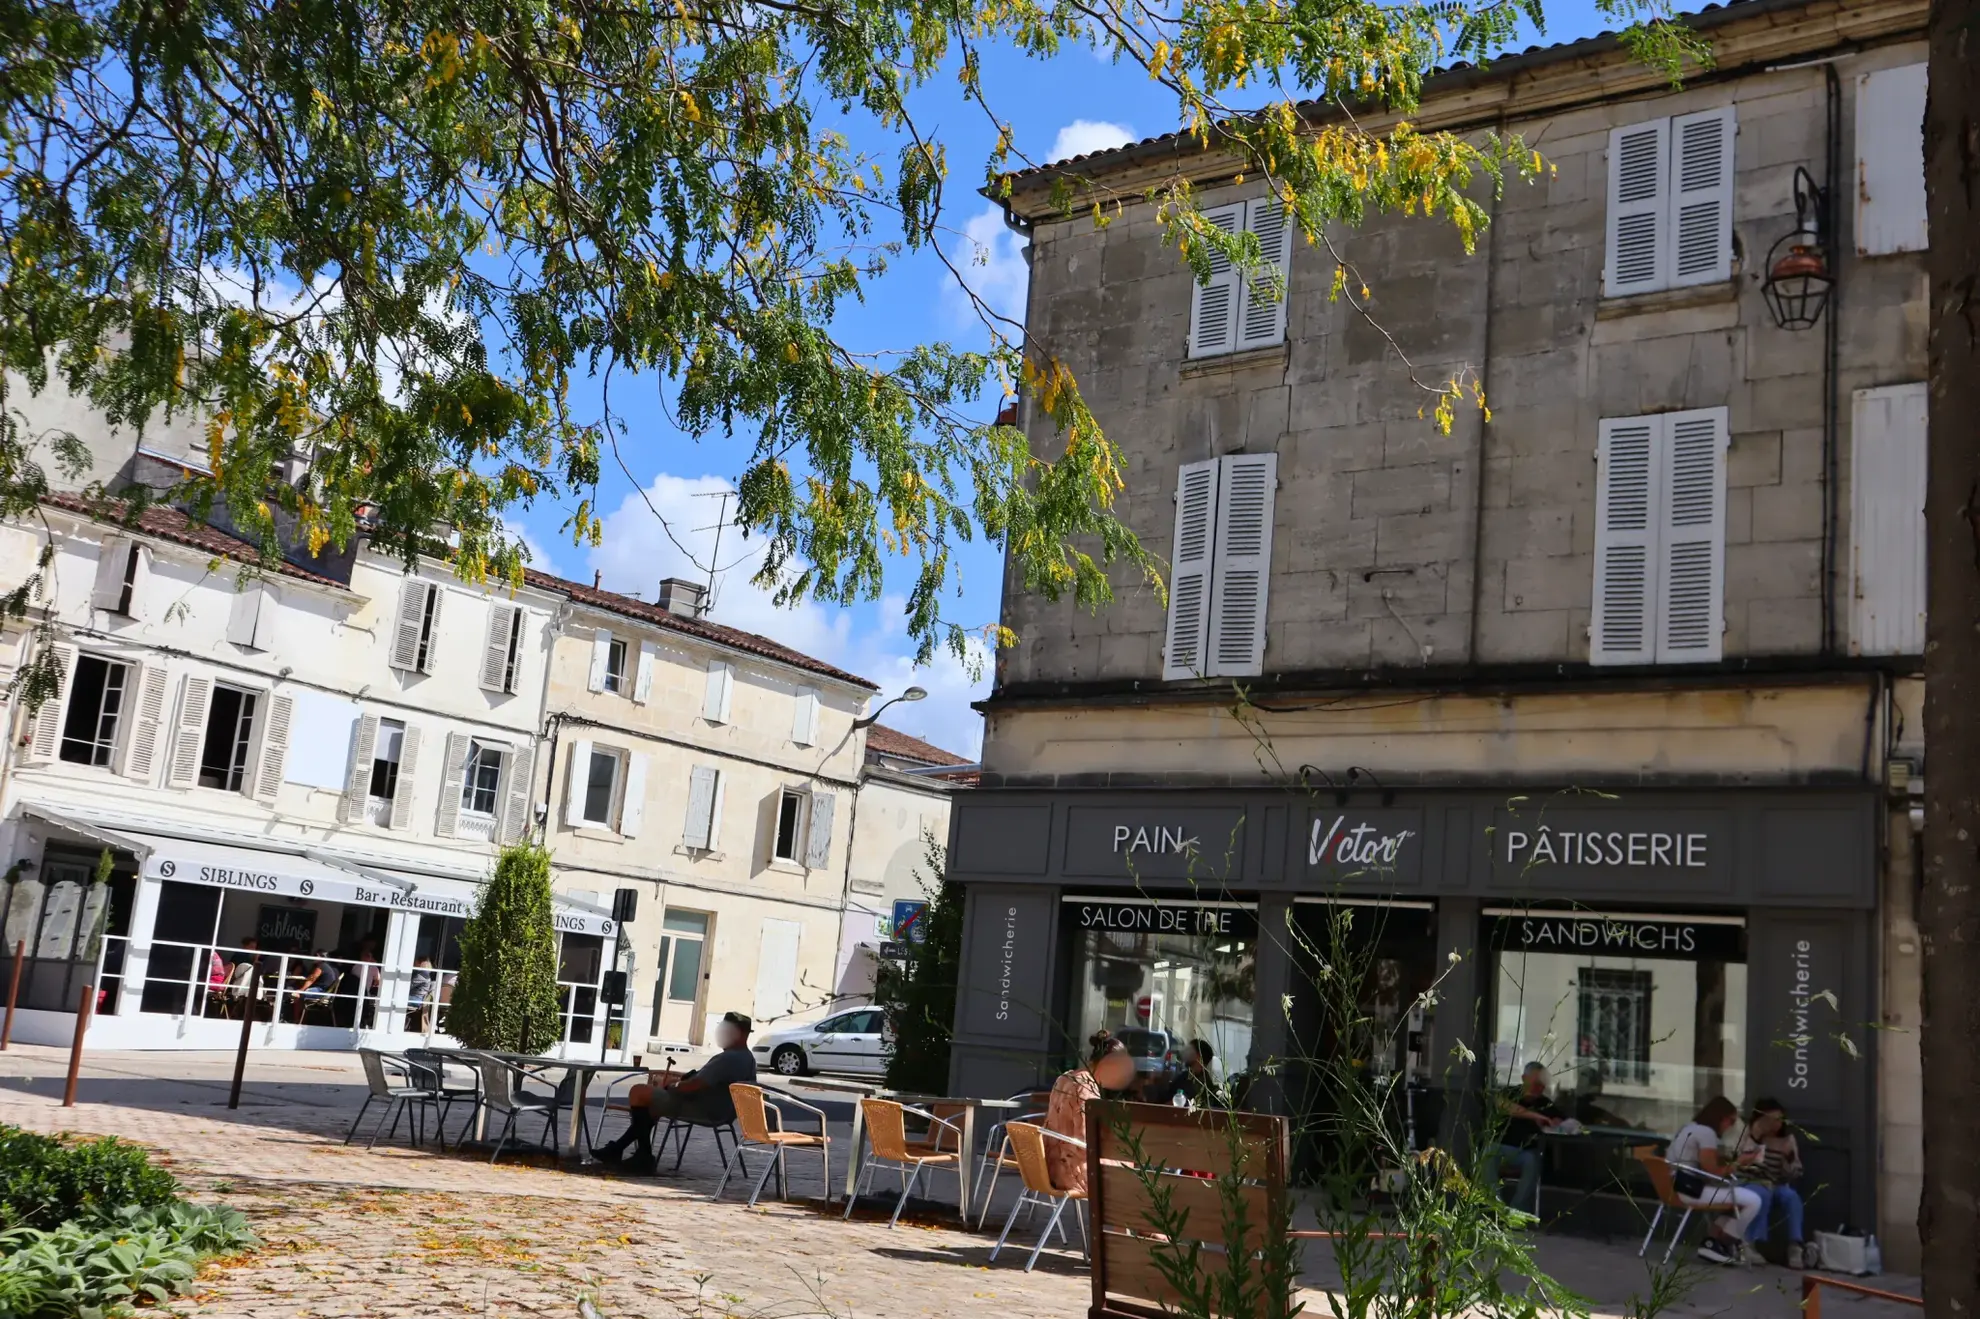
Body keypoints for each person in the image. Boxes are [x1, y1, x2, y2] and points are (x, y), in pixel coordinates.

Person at [595, 1011, 758, 1172]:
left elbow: (695, 1085)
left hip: (702, 1108)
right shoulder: (748, 1058)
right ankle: (628, 1152)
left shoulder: (728, 1058)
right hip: (723, 1111)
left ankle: (639, 1156)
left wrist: (672, 1086)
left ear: (741, 1034)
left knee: (638, 1092)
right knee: (649, 1109)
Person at [1666, 1095, 1766, 1266]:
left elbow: (1698, 1159)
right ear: (1721, 1118)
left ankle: (1713, 1241)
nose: (1730, 1126)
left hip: (1676, 1187)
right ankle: (1721, 1242)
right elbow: (1712, 1172)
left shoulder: (1689, 1127)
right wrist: (1738, 1163)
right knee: (1754, 1200)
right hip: (1691, 1190)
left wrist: (1723, 1158)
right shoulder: (1707, 1133)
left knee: (1736, 1197)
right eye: (1731, 1121)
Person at [1044, 1030, 1138, 1196]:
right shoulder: (1086, 1086)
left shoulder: (1065, 1078)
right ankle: (1121, 1220)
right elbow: (1086, 1139)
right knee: (1130, 1170)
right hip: (1072, 1174)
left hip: (1049, 1167)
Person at [1736, 1097, 1810, 1268]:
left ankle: (1795, 1246)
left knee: (1791, 1197)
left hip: (1775, 1183)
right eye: (1770, 1120)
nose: (1775, 1124)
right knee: (1762, 1193)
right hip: (1749, 1181)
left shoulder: (1787, 1140)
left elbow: (1795, 1173)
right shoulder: (1747, 1133)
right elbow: (1741, 1163)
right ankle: (1750, 1244)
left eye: (1779, 1120)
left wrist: (1788, 1157)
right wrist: (1755, 1137)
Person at [1488, 1061, 1563, 1215]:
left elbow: (1562, 1122)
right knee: (1487, 1154)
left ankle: (1517, 1212)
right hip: (1500, 1147)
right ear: (1523, 1078)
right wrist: (1536, 1116)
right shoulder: (1509, 1092)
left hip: (1525, 1152)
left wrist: (1557, 1123)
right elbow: (1506, 1107)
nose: (1538, 1088)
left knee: (1534, 1161)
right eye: (1535, 1083)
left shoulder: (1545, 1103)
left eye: (1542, 1084)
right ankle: (1494, 1206)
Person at [1149, 1038, 1223, 1109]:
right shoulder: (1186, 1075)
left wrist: (1154, 1111)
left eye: (1190, 1050)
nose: (1185, 1053)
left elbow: (1175, 1104)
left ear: (1199, 1057)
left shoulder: (1200, 1084)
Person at [406, 957, 437, 1033]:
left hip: (416, 998)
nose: (413, 964)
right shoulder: (424, 974)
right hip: (416, 997)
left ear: (420, 963)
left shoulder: (422, 975)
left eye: (415, 962)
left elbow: (407, 986)